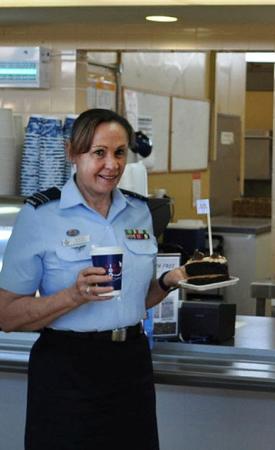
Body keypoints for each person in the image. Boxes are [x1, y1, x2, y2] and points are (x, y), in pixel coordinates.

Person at [0, 108, 187, 450]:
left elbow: (132, 299)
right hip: (67, 369)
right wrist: (74, 295)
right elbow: (7, 315)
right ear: (73, 152)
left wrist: (166, 283)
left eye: (119, 153)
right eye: (98, 153)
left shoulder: (140, 211)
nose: (112, 165)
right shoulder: (40, 215)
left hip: (131, 365)